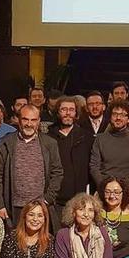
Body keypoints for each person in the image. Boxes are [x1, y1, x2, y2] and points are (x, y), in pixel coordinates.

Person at [0, 104, 63, 226]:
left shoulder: (50, 143)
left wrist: (47, 199)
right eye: (25, 119)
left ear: (39, 121)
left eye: (33, 120)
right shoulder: (6, 143)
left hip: (40, 208)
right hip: (13, 208)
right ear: (19, 120)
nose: (29, 124)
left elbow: (57, 173)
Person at [47, 97, 94, 233]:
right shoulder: (48, 138)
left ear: (76, 114)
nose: (67, 113)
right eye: (63, 109)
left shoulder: (86, 137)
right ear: (57, 113)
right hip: (54, 200)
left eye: (71, 110)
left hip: (78, 200)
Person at [89, 99, 129, 190]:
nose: (118, 118)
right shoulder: (100, 139)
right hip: (103, 189)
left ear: (128, 119)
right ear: (110, 117)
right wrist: (105, 186)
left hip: (126, 190)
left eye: (123, 115)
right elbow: (94, 167)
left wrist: (121, 187)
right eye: (115, 114)